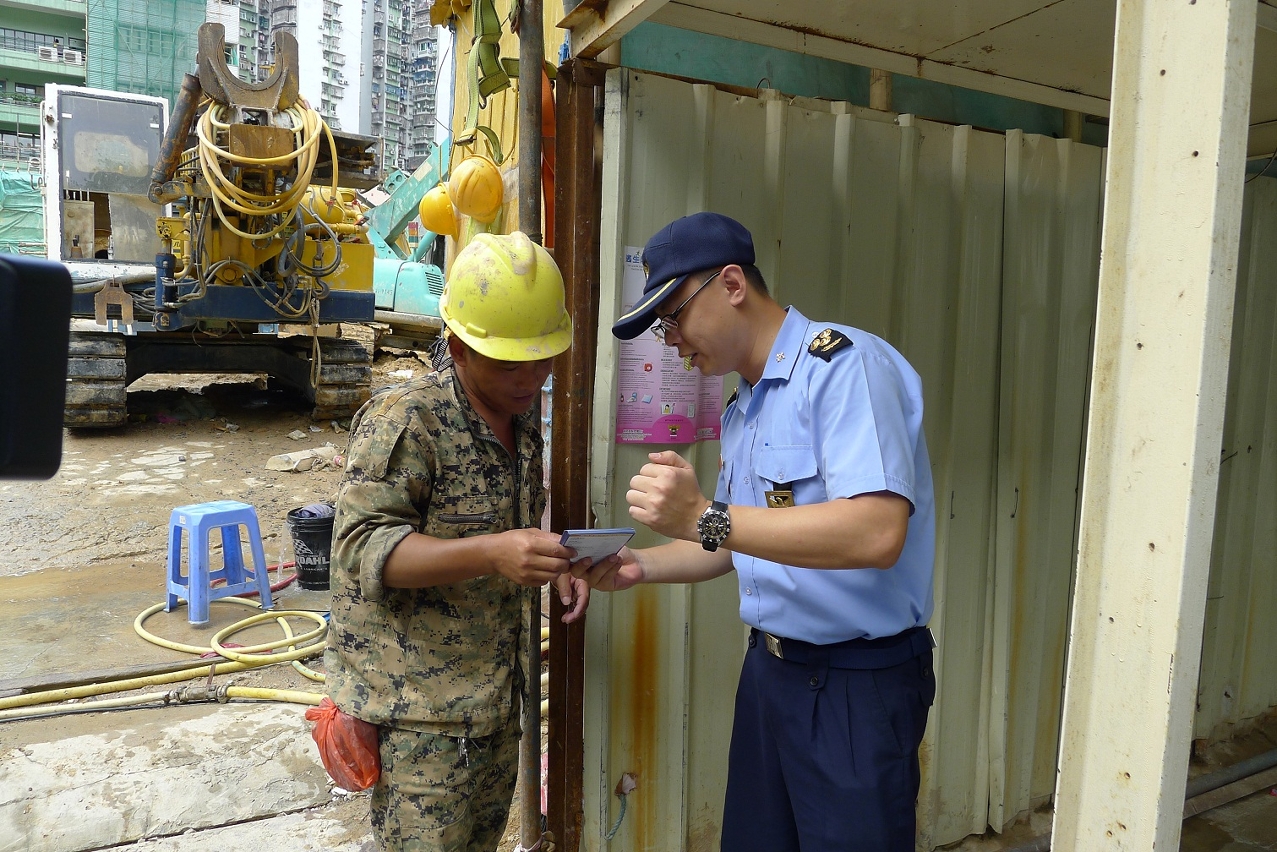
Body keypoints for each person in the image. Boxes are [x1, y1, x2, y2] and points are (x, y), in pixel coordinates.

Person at [579, 212, 937, 852]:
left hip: (856, 683)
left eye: (674, 317)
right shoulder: (744, 404)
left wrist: (701, 517)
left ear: (732, 284)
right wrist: (640, 567)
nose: (671, 342)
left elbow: (879, 531)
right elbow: (729, 540)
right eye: (660, 327)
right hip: (771, 677)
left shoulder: (844, 368)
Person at [325, 231, 591, 852]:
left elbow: (505, 521)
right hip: (422, 716)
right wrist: (494, 552)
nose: (530, 378)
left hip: (495, 701)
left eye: (542, 358)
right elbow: (361, 548)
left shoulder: (520, 423)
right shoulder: (408, 420)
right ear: (458, 349)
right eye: (508, 363)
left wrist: (552, 562)